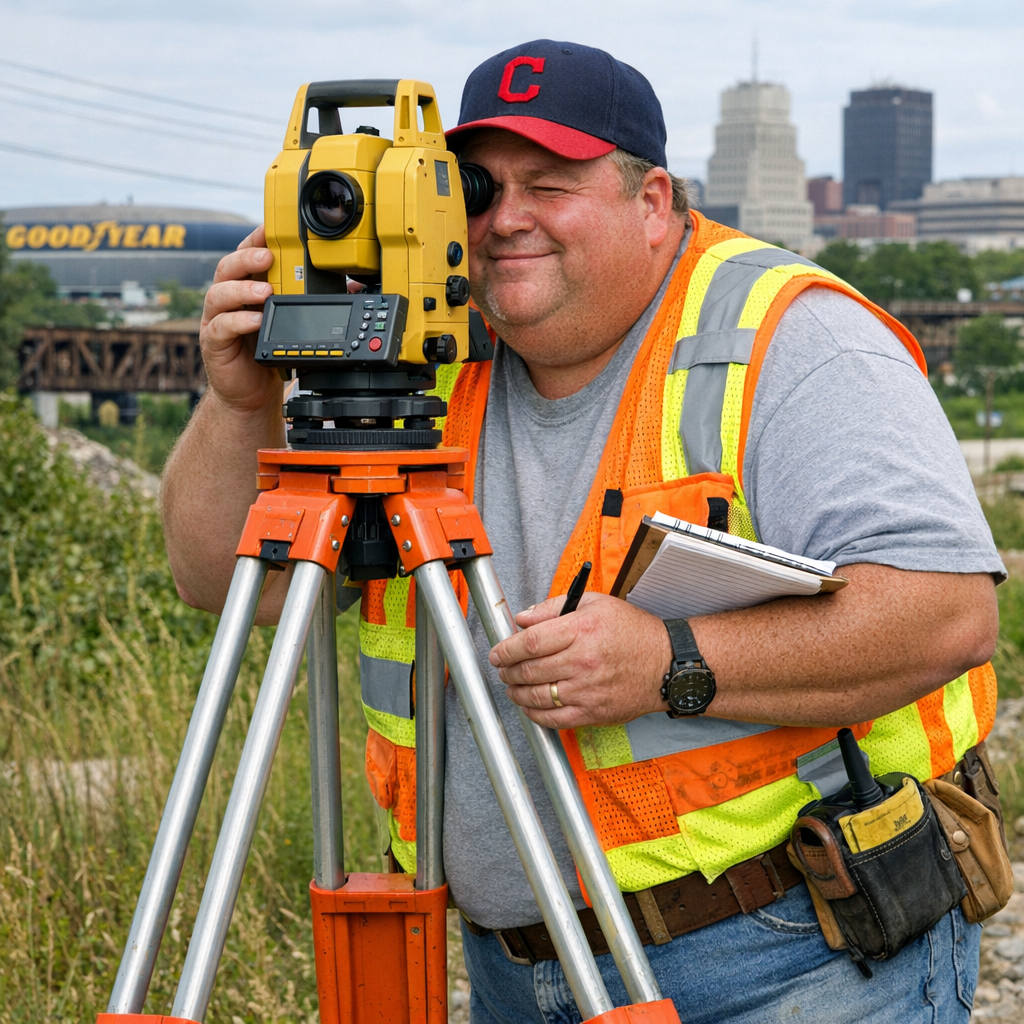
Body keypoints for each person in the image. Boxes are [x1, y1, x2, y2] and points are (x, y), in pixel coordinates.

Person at [162, 39, 1004, 1024]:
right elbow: (230, 585)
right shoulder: (421, 357)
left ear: (652, 202)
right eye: (478, 188)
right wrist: (236, 400)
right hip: (514, 971)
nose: (506, 218)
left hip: (783, 956)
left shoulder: (788, 339)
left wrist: (670, 663)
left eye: (549, 183)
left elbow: (948, 615)